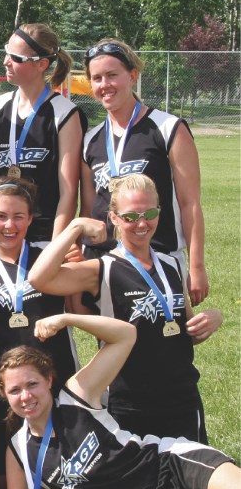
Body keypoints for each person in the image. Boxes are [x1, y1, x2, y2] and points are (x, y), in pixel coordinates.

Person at [0, 314, 240, 489]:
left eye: (32, 384)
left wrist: (67, 319)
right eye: (15, 390)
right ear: (4, 395)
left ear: (49, 381)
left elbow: (126, 335)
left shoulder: (76, 396)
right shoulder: (19, 450)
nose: (26, 396)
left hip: (176, 467)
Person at [28, 174, 222, 442]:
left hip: (182, 396)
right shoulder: (103, 269)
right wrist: (75, 227)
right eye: (130, 217)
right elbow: (39, 278)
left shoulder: (171, 264)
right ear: (114, 218)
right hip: (131, 402)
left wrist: (212, 318)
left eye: (150, 213)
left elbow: (184, 329)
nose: (142, 223)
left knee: (189, 482)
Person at [0, 177, 78, 489]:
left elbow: (81, 308)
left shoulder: (50, 256)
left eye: (18, 216)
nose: (9, 225)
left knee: (69, 481)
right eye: (0, 216)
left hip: (56, 380)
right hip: (2, 390)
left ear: (31, 217)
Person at [80, 38, 208, 307]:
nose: (105, 85)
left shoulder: (168, 128)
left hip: (159, 255)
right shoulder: (91, 139)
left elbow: (190, 203)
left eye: (113, 75)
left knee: (165, 340)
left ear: (132, 75)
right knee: (112, 343)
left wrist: (196, 267)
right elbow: (90, 208)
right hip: (109, 260)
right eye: (97, 78)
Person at [0, 23, 84, 248]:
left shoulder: (64, 113)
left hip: (42, 236)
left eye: (16, 58)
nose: (6, 61)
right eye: (7, 52)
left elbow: (68, 193)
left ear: (42, 64)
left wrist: (55, 248)